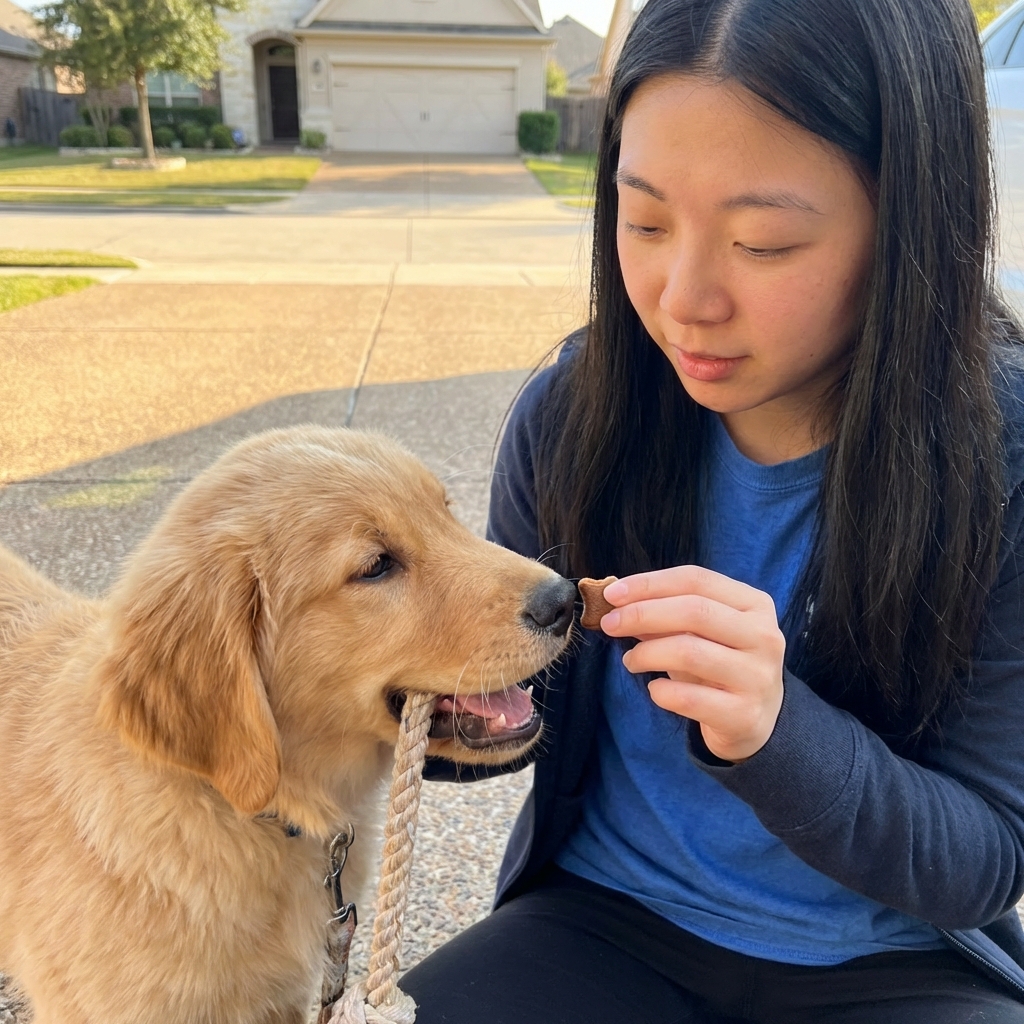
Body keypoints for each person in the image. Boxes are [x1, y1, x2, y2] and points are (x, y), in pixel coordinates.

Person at [403, 0, 1024, 1019]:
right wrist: (384, 682)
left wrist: (775, 733)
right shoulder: (572, 416)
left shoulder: (1002, 455)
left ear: (913, 216)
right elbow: (499, 729)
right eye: (641, 219)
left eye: (763, 241)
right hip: (600, 919)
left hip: (898, 958)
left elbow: (984, 861)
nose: (682, 297)